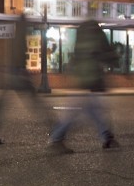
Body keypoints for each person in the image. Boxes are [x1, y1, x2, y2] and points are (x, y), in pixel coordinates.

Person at [47, 19, 120, 153]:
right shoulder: (98, 34)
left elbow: (76, 56)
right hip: (92, 79)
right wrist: (115, 61)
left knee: (94, 109)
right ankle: (56, 139)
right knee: (76, 112)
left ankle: (106, 136)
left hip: (81, 79)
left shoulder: (81, 35)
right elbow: (106, 54)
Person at [0, 16, 51, 144]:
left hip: (9, 73)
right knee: (36, 103)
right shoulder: (20, 33)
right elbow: (18, 54)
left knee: (0, 103)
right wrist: (21, 71)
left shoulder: (14, 33)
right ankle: (55, 130)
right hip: (16, 73)